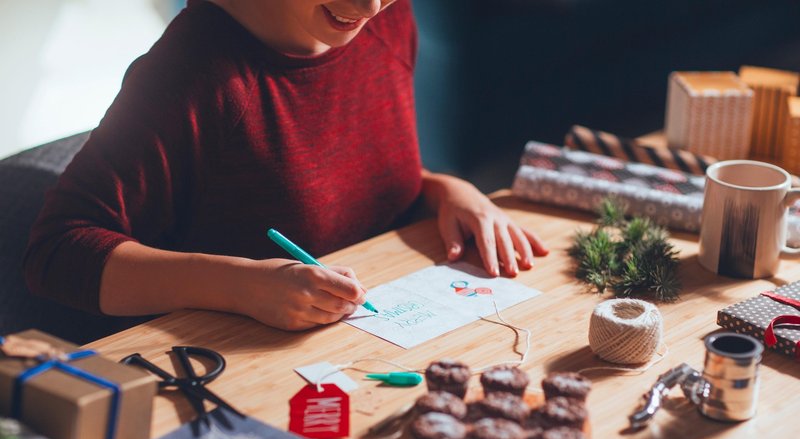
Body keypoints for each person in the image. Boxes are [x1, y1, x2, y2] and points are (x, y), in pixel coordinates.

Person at [24, 0, 548, 332]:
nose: (368, 6)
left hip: (371, 340)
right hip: (249, 372)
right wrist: (242, 285)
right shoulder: (193, 72)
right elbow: (56, 253)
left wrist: (444, 190)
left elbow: (347, 174)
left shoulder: (389, 18)